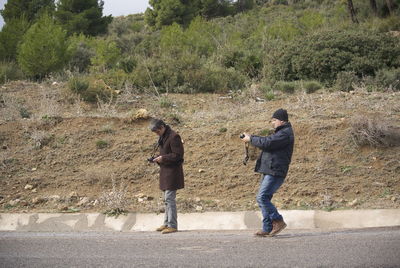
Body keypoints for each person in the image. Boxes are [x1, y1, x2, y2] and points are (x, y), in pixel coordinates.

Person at [241, 108, 294, 237]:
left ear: (282, 121)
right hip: (269, 169)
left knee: (262, 197)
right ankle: (267, 228)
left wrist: (251, 139)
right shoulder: (280, 133)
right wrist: (252, 138)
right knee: (264, 198)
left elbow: (268, 143)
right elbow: (267, 141)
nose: (272, 123)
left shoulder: (285, 134)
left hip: (275, 171)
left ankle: (278, 220)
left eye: (274, 120)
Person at [149, 119, 184, 234]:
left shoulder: (174, 136)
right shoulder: (163, 136)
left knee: (169, 199)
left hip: (173, 172)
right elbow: (166, 153)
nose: (157, 134)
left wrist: (163, 158)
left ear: (163, 127)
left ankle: (172, 225)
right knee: (166, 200)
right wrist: (158, 158)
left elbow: (178, 155)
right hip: (165, 172)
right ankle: (166, 223)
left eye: (158, 131)